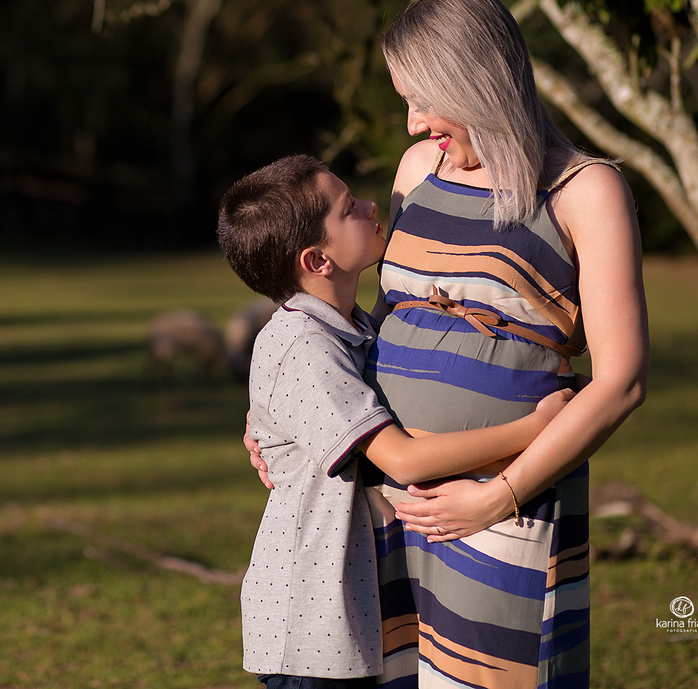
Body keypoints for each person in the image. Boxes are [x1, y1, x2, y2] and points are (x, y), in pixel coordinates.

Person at [246, 0, 649, 689]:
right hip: (393, 507)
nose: (410, 124)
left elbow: (621, 381)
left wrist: (502, 495)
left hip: (507, 501)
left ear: (475, 83)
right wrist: (280, 413)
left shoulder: (587, 192)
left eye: (421, 100)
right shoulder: (419, 172)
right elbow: (364, 328)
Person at [218, 154, 575, 689]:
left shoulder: (351, 328)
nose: (369, 204)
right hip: (313, 626)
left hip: (352, 612)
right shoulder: (301, 346)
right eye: (348, 209)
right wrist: (538, 428)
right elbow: (401, 458)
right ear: (317, 260)